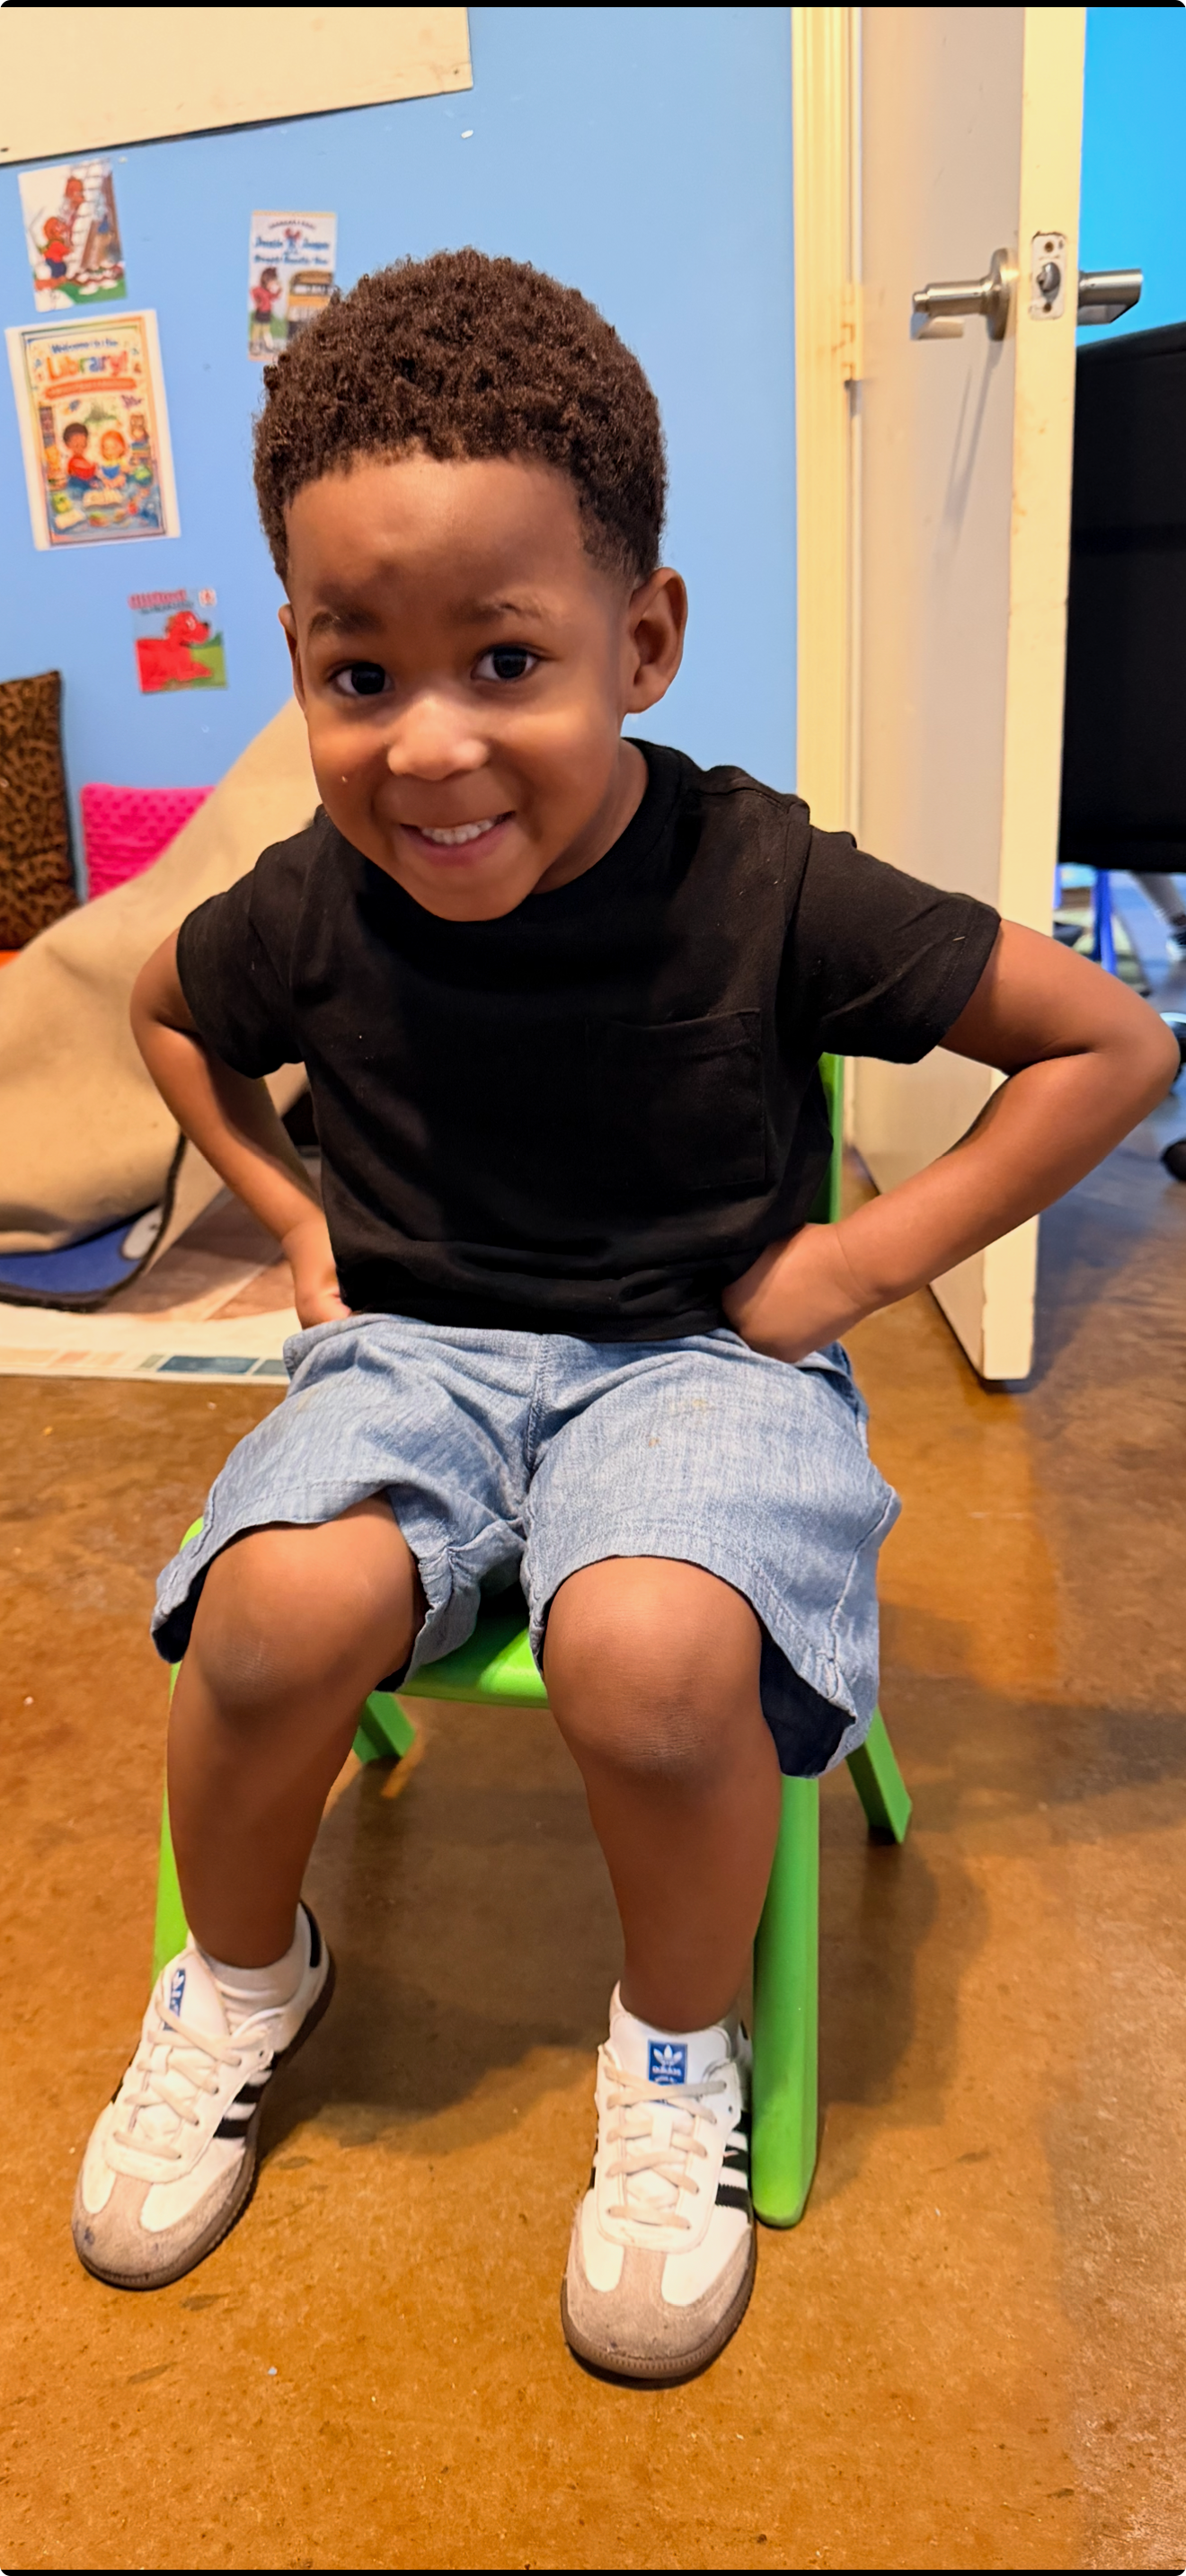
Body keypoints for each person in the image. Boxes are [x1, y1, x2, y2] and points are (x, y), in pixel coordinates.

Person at [71, 251, 1176, 2382]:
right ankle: (241, 1973)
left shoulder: (765, 883)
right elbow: (167, 1010)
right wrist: (296, 1225)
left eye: (507, 659)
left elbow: (1110, 1048)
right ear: (299, 663)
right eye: (359, 673)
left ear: (642, 639)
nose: (433, 746)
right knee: (273, 1616)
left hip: (699, 1356)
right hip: (414, 1349)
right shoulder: (310, 893)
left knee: (651, 1652)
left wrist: (855, 1268)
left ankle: (675, 2051)